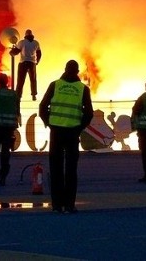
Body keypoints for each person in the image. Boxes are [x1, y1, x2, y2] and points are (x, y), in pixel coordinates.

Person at [38, 60, 94, 213]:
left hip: (56, 132)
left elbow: (42, 107)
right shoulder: (83, 89)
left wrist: (49, 123)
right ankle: (69, 204)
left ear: (64, 69)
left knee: (55, 168)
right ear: (77, 72)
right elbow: (89, 114)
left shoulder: (55, 85)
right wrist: (79, 128)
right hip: (72, 133)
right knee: (71, 169)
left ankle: (57, 205)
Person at [10, 29, 41, 101]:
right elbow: (39, 53)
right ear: (31, 34)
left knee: (20, 80)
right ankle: (34, 95)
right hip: (32, 63)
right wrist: (37, 61)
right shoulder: (36, 43)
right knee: (33, 80)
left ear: (25, 35)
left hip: (23, 63)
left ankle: (18, 96)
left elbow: (16, 52)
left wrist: (11, 52)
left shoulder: (21, 42)